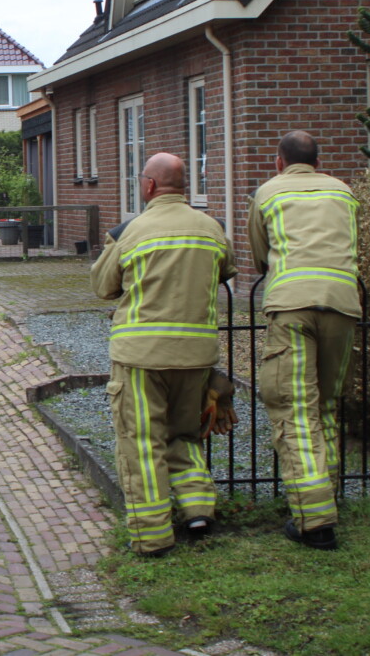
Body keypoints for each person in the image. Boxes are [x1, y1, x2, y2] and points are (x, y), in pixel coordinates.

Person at [90, 153, 237, 557]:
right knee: (185, 433)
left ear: (150, 185)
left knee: (142, 441)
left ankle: (152, 535)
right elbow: (227, 270)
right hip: (196, 355)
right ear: (183, 185)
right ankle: (198, 511)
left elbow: (103, 287)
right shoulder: (212, 229)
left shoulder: (131, 231)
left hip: (140, 356)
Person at [248, 131, 360, 551]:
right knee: (326, 405)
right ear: (318, 161)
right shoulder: (343, 192)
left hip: (292, 304)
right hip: (342, 303)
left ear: (279, 162)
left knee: (295, 409)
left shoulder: (268, 193)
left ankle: (315, 521)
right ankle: (327, 497)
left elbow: (260, 254)